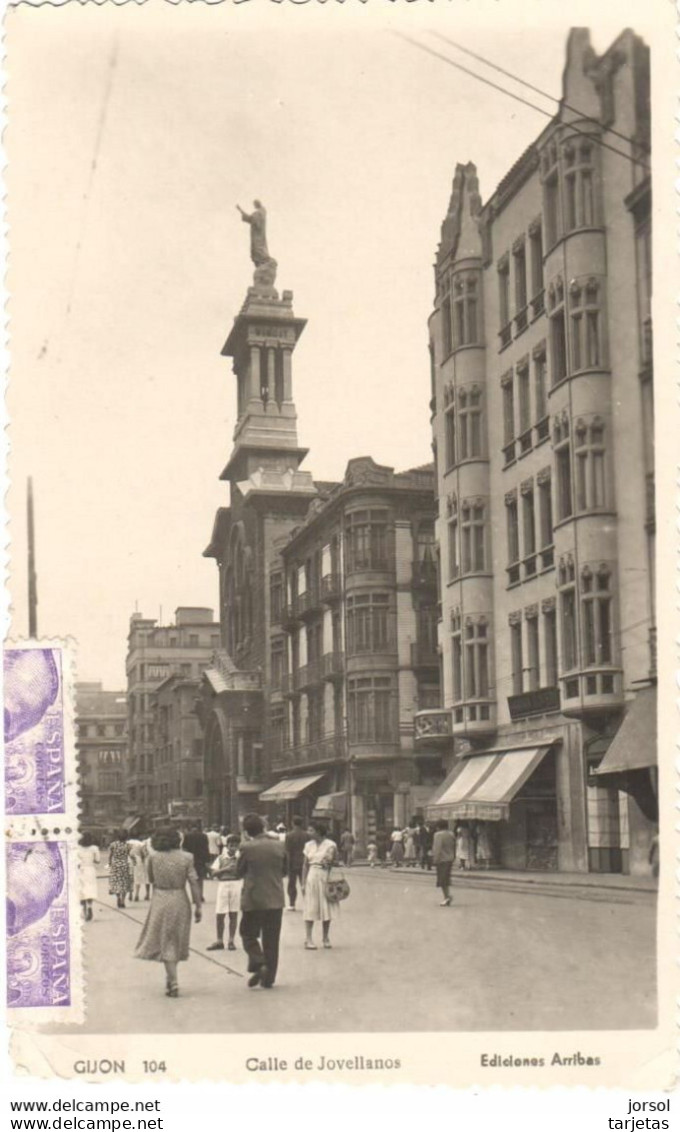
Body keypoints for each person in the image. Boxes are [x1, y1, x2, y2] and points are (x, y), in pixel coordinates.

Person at [134, 827, 202, 998]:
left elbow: (151, 879)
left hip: (160, 899)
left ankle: (172, 979)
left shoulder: (153, 857)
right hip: (180, 898)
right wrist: (198, 905)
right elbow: (194, 882)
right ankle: (172, 977)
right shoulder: (187, 857)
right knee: (175, 939)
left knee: (165, 939)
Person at [237, 813, 287, 989]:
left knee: (248, 933)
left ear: (247, 831)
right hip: (275, 897)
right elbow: (285, 870)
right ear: (263, 826)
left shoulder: (246, 847)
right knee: (272, 939)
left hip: (253, 898)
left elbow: (239, 870)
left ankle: (258, 962)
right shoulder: (279, 845)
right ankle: (268, 979)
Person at [302, 821, 337, 950]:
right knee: (310, 907)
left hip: (325, 876)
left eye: (311, 830)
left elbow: (335, 861)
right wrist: (303, 883)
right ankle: (308, 939)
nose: (308, 832)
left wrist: (330, 863)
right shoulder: (308, 845)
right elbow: (305, 865)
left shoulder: (331, 844)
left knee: (326, 908)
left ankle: (325, 937)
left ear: (319, 831)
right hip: (312, 875)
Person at [207, 834, 241, 951]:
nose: (233, 848)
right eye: (231, 845)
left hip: (236, 884)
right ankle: (219, 940)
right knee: (220, 913)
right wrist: (225, 869)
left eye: (235, 846)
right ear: (227, 846)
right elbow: (213, 873)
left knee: (233, 913)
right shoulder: (221, 858)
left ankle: (231, 940)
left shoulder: (240, 858)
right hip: (223, 884)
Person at [284, 816, 309, 911]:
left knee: (291, 884)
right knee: (305, 883)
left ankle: (292, 904)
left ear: (292, 823)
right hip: (304, 862)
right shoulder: (306, 835)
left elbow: (288, 852)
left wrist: (287, 865)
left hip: (293, 863)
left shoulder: (289, 835)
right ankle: (308, 903)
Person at [182, 822, 211, 901]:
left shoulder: (187, 836)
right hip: (201, 860)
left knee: (192, 879)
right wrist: (207, 860)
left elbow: (184, 848)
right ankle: (200, 895)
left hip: (190, 860)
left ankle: (194, 897)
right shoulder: (204, 836)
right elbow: (206, 848)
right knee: (200, 879)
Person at [432, 819, 456, 906]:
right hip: (450, 858)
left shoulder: (438, 835)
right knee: (446, 878)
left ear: (438, 827)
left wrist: (435, 859)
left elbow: (437, 848)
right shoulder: (451, 834)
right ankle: (447, 896)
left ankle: (447, 897)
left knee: (442, 879)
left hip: (442, 859)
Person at [79, 833, 100, 922]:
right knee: (90, 889)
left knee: (81, 890)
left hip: (80, 870)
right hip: (90, 870)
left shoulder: (77, 848)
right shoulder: (94, 848)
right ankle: (90, 907)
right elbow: (98, 861)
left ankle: (84, 911)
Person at [108, 830, 132, 909]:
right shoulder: (128, 845)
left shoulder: (113, 845)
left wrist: (110, 864)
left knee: (116, 883)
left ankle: (118, 897)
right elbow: (129, 855)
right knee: (124, 883)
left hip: (115, 865)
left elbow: (110, 856)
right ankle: (123, 900)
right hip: (124, 865)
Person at [128, 836, 148, 902]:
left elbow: (127, 851)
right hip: (137, 860)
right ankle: (136, 894)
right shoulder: (141, 844)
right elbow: (144, 854)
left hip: (129, 859)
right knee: (137, 878)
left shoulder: (129, 842)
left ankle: (130, 893)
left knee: (130, 877)